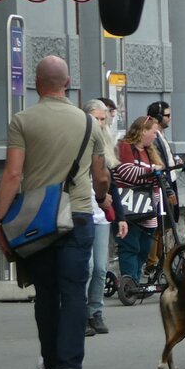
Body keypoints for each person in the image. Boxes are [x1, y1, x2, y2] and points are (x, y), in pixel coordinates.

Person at [0, 56, 108, 369]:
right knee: (75, 292)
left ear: (37, 83)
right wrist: (100, 197)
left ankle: (53, 363)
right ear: (67, 82)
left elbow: (13, 175)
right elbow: (101, 175)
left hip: (38, 222)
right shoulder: (90, 124)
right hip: (78, 215)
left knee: (46, 294)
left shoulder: (22, 121)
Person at [82, 99, 127, 336]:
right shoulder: (79, 141)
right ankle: (80, 314)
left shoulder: (105, 145)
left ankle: (95, 312)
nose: (101, 123)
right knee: (86, 267)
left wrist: (120, 216)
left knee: (100, 268)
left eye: (103, 119)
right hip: (80, 211)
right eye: (96, 119)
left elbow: (112, 185)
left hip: (101, 215)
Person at [114, 115, 165, 286]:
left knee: (145, 246)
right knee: (130, 245)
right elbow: (127, 172)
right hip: (130, 206)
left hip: (149, 207)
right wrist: (152, 171)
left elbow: (158, 179)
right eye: (154, 132)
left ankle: (133, 279)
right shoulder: (125, 147)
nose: (156, 136)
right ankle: (130, 282)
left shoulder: (150, 151)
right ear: (143, 131)